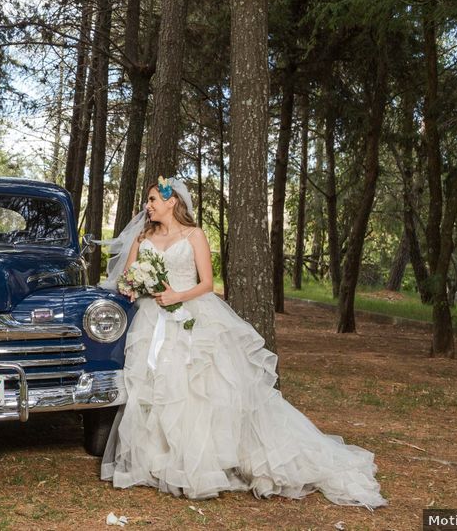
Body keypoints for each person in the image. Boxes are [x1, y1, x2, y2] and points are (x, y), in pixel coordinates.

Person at [99, 176, 386, 509]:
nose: (147, 206)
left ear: (171, 201)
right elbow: (126, 278)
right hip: (151, 319)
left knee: (195, 388)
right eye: (148, 201)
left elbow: (207, 283)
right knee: (155, 387)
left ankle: (201, 463)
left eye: (152, 200)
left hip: (190, 314)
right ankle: (157, 460)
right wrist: (135, 287)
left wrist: (177, 294)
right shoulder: (143, 236)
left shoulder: (195, 235)